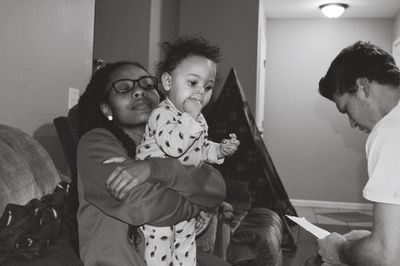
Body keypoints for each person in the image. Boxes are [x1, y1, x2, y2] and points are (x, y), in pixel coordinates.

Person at [76, 61, 227, 266]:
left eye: (147, 85)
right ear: (106, 108)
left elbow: (216, 186)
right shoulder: (94, 143)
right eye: (124, 88)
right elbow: (140, 204)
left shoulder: (175, 142)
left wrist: (153, 169)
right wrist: (197, 202)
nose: (139, 91)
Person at [134, 36, 240, 266]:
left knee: (185, 243)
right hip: (156, 198)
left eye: (208, 86)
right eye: (193, 83)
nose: (201, 92)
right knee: (160, 248)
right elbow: (174, 147)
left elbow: (199, 149)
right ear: (168, 83)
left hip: (183, 196)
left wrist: (220, 150)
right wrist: (191, 116)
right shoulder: (161, 114)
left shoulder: (198, 119)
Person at [316, 41, 400, 265]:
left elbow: (387, 256)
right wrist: (369, 239)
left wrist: (340, 249)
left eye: (346, 110)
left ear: (362, 87)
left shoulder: (390, 130)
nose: (352, 123)